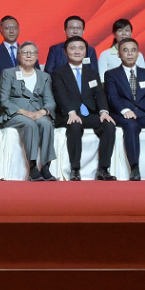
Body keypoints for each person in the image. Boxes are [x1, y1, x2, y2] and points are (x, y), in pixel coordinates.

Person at [50, 36, 117, 181]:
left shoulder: (92, 73)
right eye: (73, 48)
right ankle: (75, 170)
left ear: (86, 51)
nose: (77, 51)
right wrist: (71, 112)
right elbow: (60, 95)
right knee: (74, 125)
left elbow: (100, 94)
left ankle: (103, 169)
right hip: (68, 114)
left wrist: (103, 112)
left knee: (108, 125)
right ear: (65, 51)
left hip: (89, 113)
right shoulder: (58, 73)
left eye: (81, 48)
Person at [106, 38, 145, 181]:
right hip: (123, 114)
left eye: (133, 50)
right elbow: (112, 97)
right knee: (131, 126)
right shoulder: (111, 74)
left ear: (138, 53)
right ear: (119, 54)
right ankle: (134, 169)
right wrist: (124, 110)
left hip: (144, 113)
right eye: (125, 50)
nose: (130, 54)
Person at [0, 43, 57, 181]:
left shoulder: (44, 76)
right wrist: (22, 111)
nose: (29, 55)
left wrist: (43, 112)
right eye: (25, 52)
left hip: (38, 113)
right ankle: (33, 167)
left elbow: (50, 101)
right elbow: (4, 100)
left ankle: (46, 167)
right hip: (15, 114)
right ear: (18, 56)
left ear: (37, 56)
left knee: (46, 123)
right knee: (29, 124)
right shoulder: (8, 73)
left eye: (32, 52)